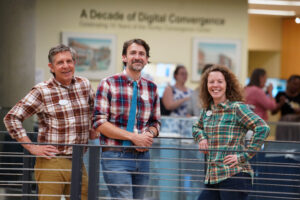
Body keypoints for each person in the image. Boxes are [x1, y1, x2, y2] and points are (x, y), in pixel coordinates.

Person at [3, 44, 95, 200]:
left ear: (74, 63)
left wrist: (93, 129)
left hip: (79, 160)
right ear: (51, 67)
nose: (66, 66)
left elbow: (94, 111)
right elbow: (11, 118)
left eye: (69, 61)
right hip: (51, 161)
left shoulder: (84, 85)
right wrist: (31, 147)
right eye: (60, 62)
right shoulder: (42, 90)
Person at [93, 38, 160, 199]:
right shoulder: (108, 83)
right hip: (115, 156)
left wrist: (148, 135)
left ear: (146, 59)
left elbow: (155, 123)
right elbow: (99, 122)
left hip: (143, 157)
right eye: (133, 53)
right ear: (124, 57)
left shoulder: (152, 88)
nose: (138, 57)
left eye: (142, 54)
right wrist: (134, 137)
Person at [192, 65, 270, 200]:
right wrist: (202, 138)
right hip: (213, 176)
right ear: (206, 86)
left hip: (234, 175)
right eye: (211, 82)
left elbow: (262, 128)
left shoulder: (236, 108)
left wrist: (244, 156)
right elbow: (196, 128)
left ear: (227, 85)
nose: (215, 85)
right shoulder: (207, 110)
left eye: (220, 81)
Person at [272, 75, 300, 140]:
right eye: (294, 84)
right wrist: (280, 104)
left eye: (298, 85)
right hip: (284, 123)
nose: (296, 86)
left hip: (297, 124)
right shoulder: (280, 94)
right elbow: (273, 112)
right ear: (288, 83)